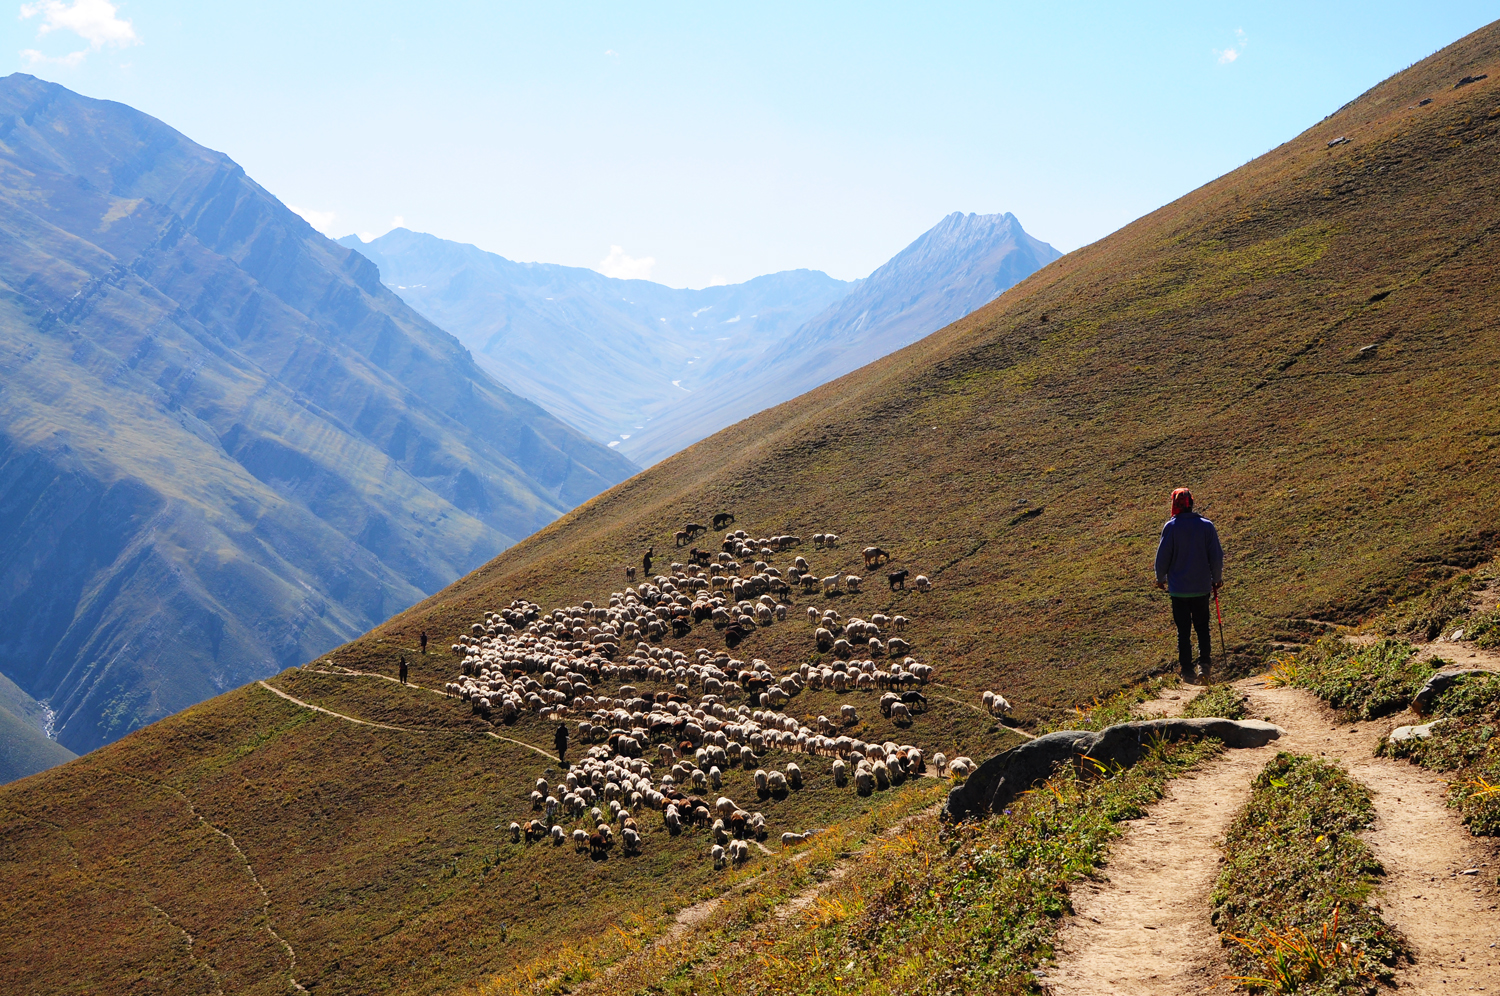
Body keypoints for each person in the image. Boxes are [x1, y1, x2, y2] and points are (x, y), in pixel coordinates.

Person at [1154, 487, 1223, 683]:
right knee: (1202, 627)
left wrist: (1160, 578)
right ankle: (1204, 666)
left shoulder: (1171, 527)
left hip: (1179, 590)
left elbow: (1162, 557)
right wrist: (1216, 578)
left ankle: (1187, 671)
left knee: (1183, 630)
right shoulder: (1207, 526)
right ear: (1191, 504)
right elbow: (1216, 557)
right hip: (1201, 588)